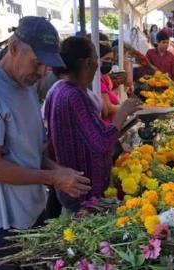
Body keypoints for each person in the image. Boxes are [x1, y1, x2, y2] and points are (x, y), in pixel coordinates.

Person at [0, 16, 92, 270]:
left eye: (45, 65)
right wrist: (53, 179)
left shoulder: (26, 87)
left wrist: (57, 170)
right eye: (37, 62)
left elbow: (28, 152)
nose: (42, 72)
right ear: (13, 48)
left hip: (31, 216)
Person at [45, 36, 142, 213]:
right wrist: (122, 112)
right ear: (87, 62)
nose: (98, 65)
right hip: (83, 193)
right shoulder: (73, 95)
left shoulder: (59, 88)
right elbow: (101, 143)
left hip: (74, 186)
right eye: (97, 59)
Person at [100, 42, 120, 123]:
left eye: (111, 60)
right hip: (106, 125)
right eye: (106, 59)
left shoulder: (104, 76)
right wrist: (125, 108)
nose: (109, 62)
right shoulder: (98, 80)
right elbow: (107, 110)